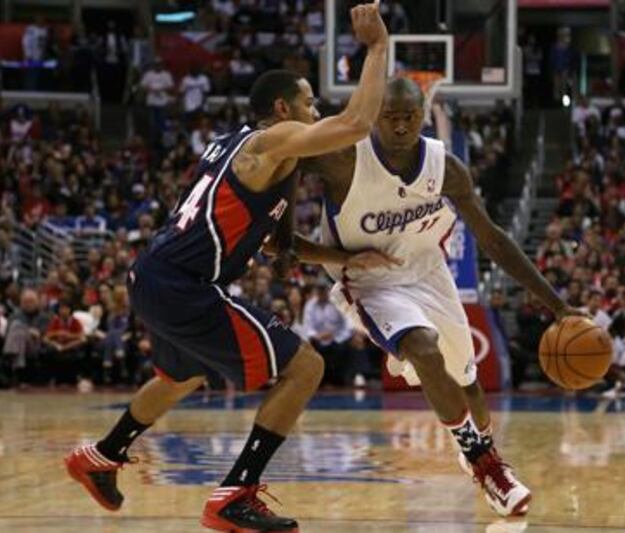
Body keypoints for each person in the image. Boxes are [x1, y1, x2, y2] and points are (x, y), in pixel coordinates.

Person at [64, 3, 392, 531]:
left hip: (152, 276)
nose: (316, 113)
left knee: (180, 376)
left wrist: (344, 258)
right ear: (283, 108)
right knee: (305, 367)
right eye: (309, 104)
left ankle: (100, 457)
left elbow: (277, 249)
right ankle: (234, 495)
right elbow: (355, 123)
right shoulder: (268, 142)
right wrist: (376, 47)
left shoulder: (243, 153)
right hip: (183, 284)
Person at [296, 77, 585, 517]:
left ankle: (481, 451)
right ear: (374, 117)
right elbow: (277, 225)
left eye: (408, 117)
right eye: (389, 117)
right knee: (424, 349)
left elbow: (493, 239)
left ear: (423, 117)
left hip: (429, 272)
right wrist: (336, 257)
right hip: (370, 281)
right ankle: (487, 465)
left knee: (467, 382)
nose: (398, 126)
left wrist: (559, 305)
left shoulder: (445, 167)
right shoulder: (341, 160)